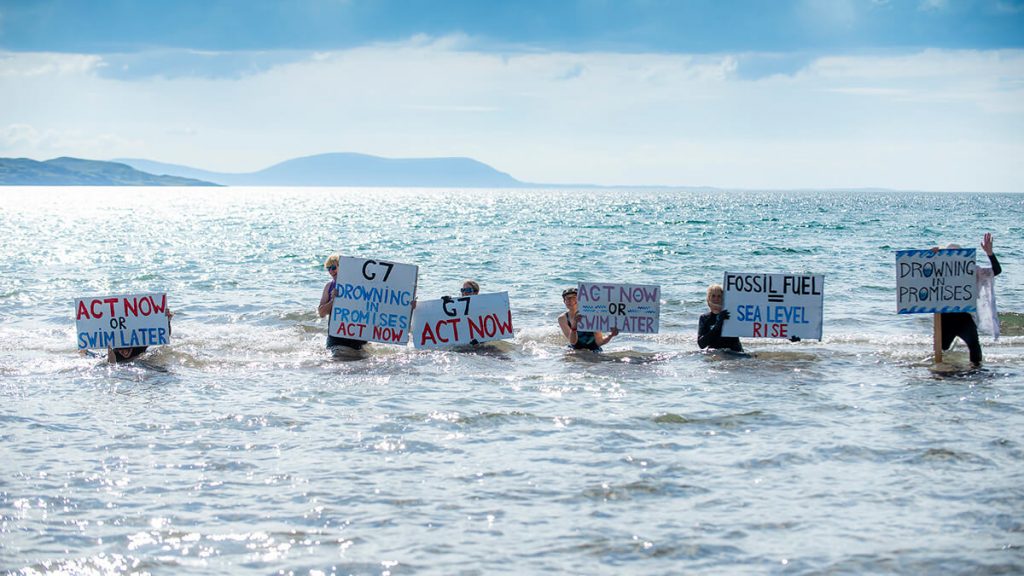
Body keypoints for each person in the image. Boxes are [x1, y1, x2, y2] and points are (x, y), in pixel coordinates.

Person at [935, 233, 1002, 366]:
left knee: (975, 353)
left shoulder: (972, 270)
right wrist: (929, 256)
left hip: (964, 317)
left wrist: (990, 253)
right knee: (942, 348)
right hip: (945, 316)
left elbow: (996, 271)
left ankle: (976, 374)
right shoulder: (938, 270)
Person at [317, 254, 367, 351]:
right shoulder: (329, 286)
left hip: (358, 335)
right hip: (336, 337)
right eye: (328, 269)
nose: (331, 271)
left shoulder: (361, 285)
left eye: (333, 267)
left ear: (344, 267)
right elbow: (321, 313)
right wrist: (333, 300)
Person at [558, 287, 618, 351]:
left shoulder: (591, 315)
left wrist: (611, 335)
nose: (571, 300)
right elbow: (573, 342)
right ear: (564, 301)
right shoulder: (562, 318)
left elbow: (600, 342)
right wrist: (575, 324)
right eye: (568, 298)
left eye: (574, 297)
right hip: (575, 350)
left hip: (593, 350)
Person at [106, 310, 174, 363]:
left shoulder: (140, 344)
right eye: (120, 350)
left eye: (126, 349)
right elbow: (111, 365)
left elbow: (164, 336)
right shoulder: (115, 353)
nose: (124, 352)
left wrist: (167, 321)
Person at [697, 284, 743, 352]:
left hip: (734, 351)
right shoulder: (704, 318)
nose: (716, 299)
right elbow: (701, 344)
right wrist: (717, 325)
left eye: (719, 296)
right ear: (709, 298)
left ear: (723, 298)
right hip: (715, 352)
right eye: (713, 296)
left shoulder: (731, 314)